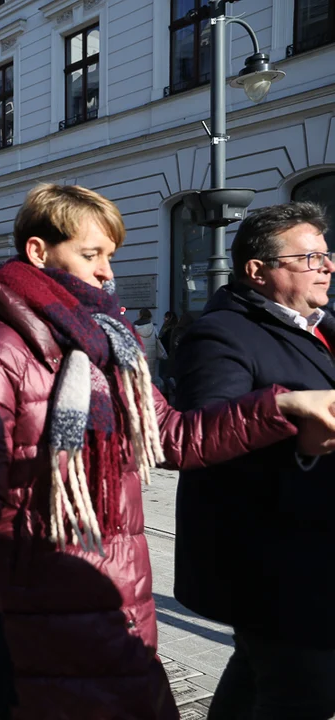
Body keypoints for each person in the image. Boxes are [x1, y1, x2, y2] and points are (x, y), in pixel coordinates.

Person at [0, 184, 335, 720]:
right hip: (33, 598)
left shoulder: (107, 341)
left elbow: (171, 435)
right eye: (91, 255)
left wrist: (283, 407)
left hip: (113, 590)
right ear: (38, 251)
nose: (106, 273)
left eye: (110, 257)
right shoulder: (0, 344)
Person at [173, 201, 335, 719]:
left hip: (314, 555)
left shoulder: (320, 325)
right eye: (310, 258)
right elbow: (207, 441)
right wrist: (303, 452)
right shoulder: (221, 334)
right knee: (305, 695)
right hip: (279, 565)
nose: (327, 266)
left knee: (257, 675)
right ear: (257, 271)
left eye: (327, 255)